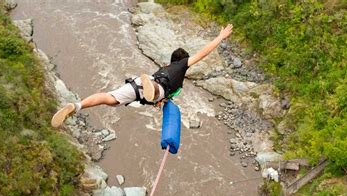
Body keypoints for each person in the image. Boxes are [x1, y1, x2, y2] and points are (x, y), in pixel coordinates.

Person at [51, 24, 234, 128]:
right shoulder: (180, 66)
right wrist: (220, 37)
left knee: (109, 98)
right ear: (182, 60)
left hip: (139, 83)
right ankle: (151, 90)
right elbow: (202, 53)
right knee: (156, 92)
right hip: (155, 88)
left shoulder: (165, 67)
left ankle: (77, 105)